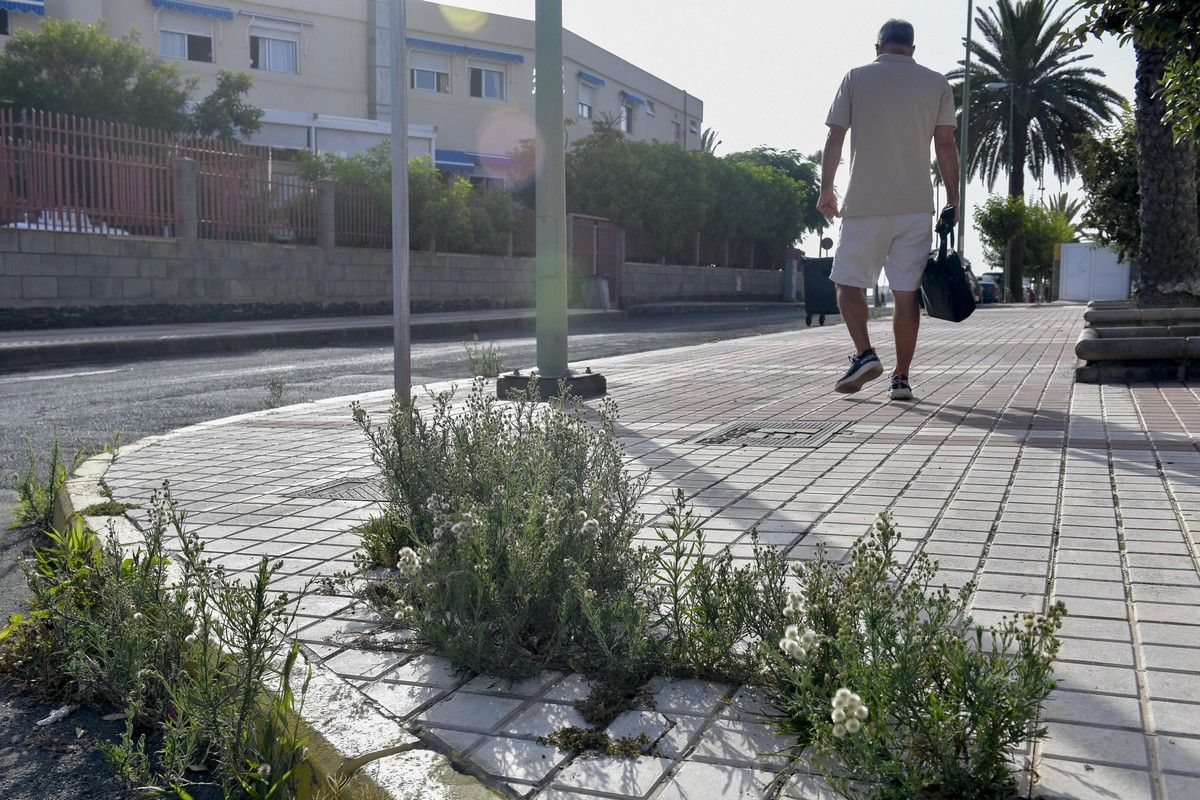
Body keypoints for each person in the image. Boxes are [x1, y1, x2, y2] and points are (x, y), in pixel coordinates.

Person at [817, 18, 960, 401]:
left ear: (877, 46)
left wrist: (826, 188)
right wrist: (953, 200)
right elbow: (945, 145)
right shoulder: (936, 83)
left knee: (847, 284)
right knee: (906, 294)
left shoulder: (856, 77)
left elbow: (835, 135)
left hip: (864, 204)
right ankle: (901, 379)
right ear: (912, 48)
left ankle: (865, 353)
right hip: (916, 208)